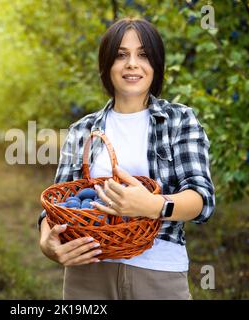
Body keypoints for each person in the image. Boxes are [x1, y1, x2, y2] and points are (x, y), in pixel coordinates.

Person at [37, 17, 215, 300]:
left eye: (143, 55)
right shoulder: (83, 130)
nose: (132, 63)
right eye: (121, 55)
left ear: (156, 65)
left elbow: (202, 201)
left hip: (159, 273)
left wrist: (152, 205)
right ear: (107, 66)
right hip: (88, 274)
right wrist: (48, 245)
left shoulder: (178, 120)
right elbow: (57, 207)